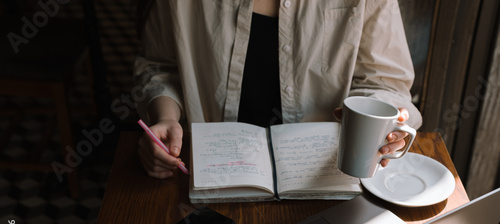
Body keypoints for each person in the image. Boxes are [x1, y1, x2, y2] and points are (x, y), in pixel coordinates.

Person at [134, 0, 422, 179]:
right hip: (208, 171)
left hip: (322, 175)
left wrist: (384, 124)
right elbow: (160, 66)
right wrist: (166, 118)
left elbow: (385, 81)